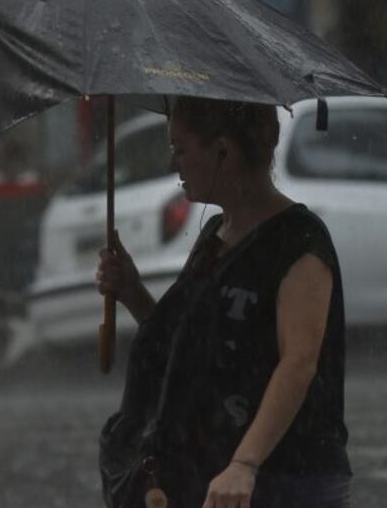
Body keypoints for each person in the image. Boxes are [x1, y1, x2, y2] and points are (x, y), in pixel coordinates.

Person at [96, 97, 351, 508]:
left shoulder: (298, 240)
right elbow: (188, 344)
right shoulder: (216, 235)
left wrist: (245, 465)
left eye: (180, 149)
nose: (172, 165)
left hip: (286, 481)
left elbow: (299, 362)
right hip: (215, 478)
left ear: (223, 152)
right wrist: (132, 293)